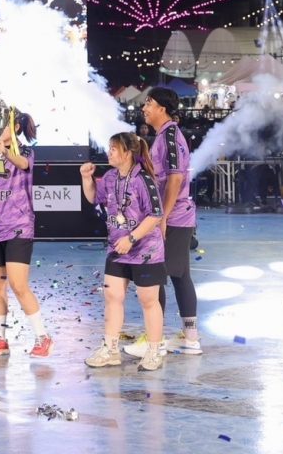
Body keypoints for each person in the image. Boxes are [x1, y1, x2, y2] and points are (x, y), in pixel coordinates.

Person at [80, 132, 167, 372]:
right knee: (112, 297)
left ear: (127, 153)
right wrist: (86, 178)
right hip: (118, 249)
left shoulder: (143, 179)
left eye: (114, 148)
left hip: (146, 250)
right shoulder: (110, 177)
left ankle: (154, 351)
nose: (109, 152)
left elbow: (156, 215)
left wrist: (131, 238)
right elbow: (93, 197)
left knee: (148, 300)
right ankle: (111, 350)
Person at [126, 87, 200, 359]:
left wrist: (162, 217)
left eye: (149, 103)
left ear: (162, 108)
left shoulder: (169, 136)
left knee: (155, 274)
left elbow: (176, 179)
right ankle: (190, 337)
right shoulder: (162, 136)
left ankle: (154, 340)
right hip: (176, 216)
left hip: (174, 217)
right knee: (180, 275)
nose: (144, 108)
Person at [0, 108, 52, 358]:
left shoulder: (25, 151)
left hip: (18, 226)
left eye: (4, 124)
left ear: (15, 128)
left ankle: (43, 337)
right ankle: (0, 339)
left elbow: (23, 164)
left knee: (18, 285)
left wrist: (5, 151)